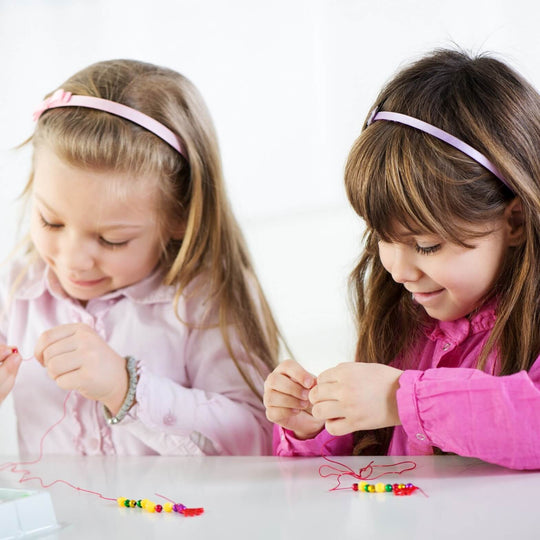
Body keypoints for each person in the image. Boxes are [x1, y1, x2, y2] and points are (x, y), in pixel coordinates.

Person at [264, 48, 540, 470]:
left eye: (426, 246)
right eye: (380, 238)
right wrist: (315, 424)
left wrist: (402, 399)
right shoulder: (407, 321)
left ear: (515, 222)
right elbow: (363, 457)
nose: (396, 268)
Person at [0, 59, 281, 456]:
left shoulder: (203, 300)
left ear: (180, 216)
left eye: (112, 240)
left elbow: (256, 439)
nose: (73, 260)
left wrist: (125, 387)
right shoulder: (13, 291)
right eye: (51, 222)